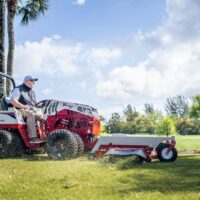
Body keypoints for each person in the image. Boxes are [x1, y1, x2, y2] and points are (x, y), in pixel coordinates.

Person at [10, 75, 45, 143]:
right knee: (31, 114)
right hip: (20, 110)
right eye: (32, 80)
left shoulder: (32, 92)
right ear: (26, 81)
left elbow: (35, 104)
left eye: (34, 81)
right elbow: (13, 101)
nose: (33, 82)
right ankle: (33, 138)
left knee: (43, 117)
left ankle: (43, 136)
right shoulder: (18, 89)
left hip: (32, 109)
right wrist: (23, 106)